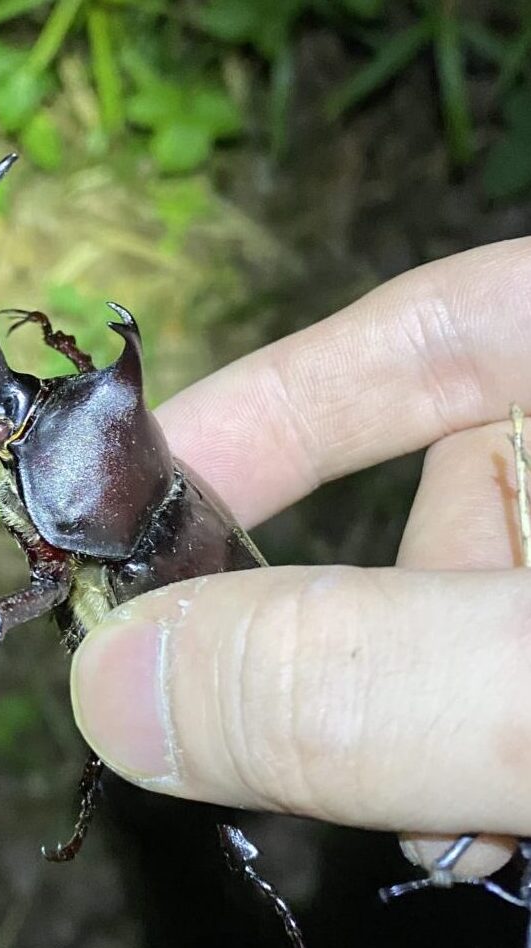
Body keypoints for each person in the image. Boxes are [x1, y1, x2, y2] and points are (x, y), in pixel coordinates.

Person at [69, 238, 531, 880]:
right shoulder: (123, 507)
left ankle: (246, 857)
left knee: (188, 705)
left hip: (152, 577)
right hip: (141, 553)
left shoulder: (130, 506)